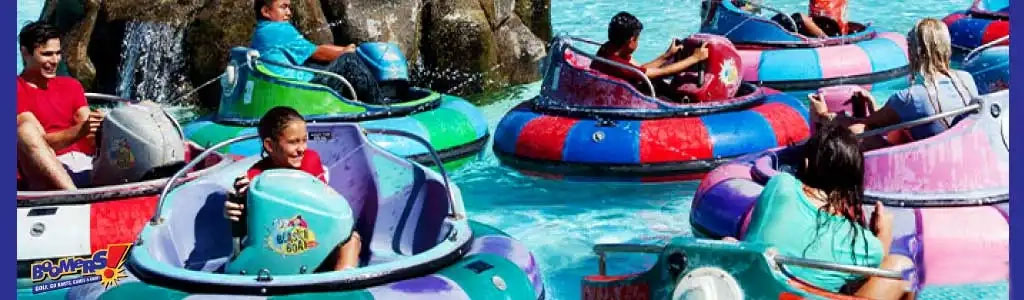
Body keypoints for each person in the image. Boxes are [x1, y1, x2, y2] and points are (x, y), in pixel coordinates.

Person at [738, 122, 910, 299]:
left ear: (805, 164)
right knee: (903, 268)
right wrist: (884, 235)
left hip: (750, 291)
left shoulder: (780, 185)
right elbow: (874, 276)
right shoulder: (861, 243)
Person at [223, 106, 362, 271]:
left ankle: (342, 281)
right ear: (269, 145)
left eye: (304, 140)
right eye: (293, 142)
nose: (301, 149)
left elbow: (324, 207)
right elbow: (252, 221)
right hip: (281, 249)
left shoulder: (311, 161)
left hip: (317, 242)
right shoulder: (256, 177)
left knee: (352, 239)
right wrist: (234, 210)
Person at [808, 18, 978, 150]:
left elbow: (861, 125)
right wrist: (875, 106)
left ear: (913, 51)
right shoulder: (966, 79)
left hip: (926, 162)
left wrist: (824, 115)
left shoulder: (911, 97)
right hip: (959, 154)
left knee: (856, 132)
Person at [16, 22, 104, 191]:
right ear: (25, 53)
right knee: (25, 130)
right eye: (47, 54)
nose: (55, 60)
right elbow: (39, 143)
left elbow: (89, 133)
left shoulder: (71, 85)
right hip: (44, 171)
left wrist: (102, 127)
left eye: (58, 53)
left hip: (85, 164)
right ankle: (74, 197)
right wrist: (81, 130)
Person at [251, 0, 383, 103]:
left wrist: (345, 50)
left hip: (288, 86)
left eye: (289, 7)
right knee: (349, 61)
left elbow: (310, 51)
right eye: (283, 7)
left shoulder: (262, 30)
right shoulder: (279, 29)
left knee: (317, 65)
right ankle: (379, 105)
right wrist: (346, 51)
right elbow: (318, 52)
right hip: (300, 91)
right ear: (266, 11)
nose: (289, 12)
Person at [590, 12, 710, 99]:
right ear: (631, 40)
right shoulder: (617, 65)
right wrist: (695, 58)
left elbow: (639, 71)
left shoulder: (608, 49)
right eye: (637, 40)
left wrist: (666, 56)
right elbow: (661, 72)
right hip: (620, 98)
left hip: (610, 91)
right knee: (662, 87)